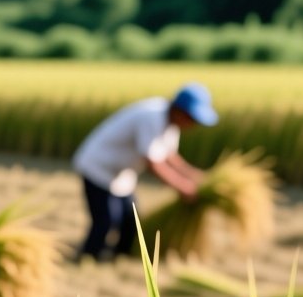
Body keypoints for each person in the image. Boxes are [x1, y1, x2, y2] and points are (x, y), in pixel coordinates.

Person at [70, 82, 219, 261]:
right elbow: (153, 163)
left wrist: (195, 176)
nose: (193, 125)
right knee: (107, 220)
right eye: (192, 119)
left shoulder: (171, 124)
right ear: (180, 111)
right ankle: (88, 257)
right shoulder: (152, 118)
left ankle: (119, 256)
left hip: (122, 175)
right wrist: (183, 187)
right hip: (98, 168)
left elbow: (170, 156)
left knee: (131, 222)